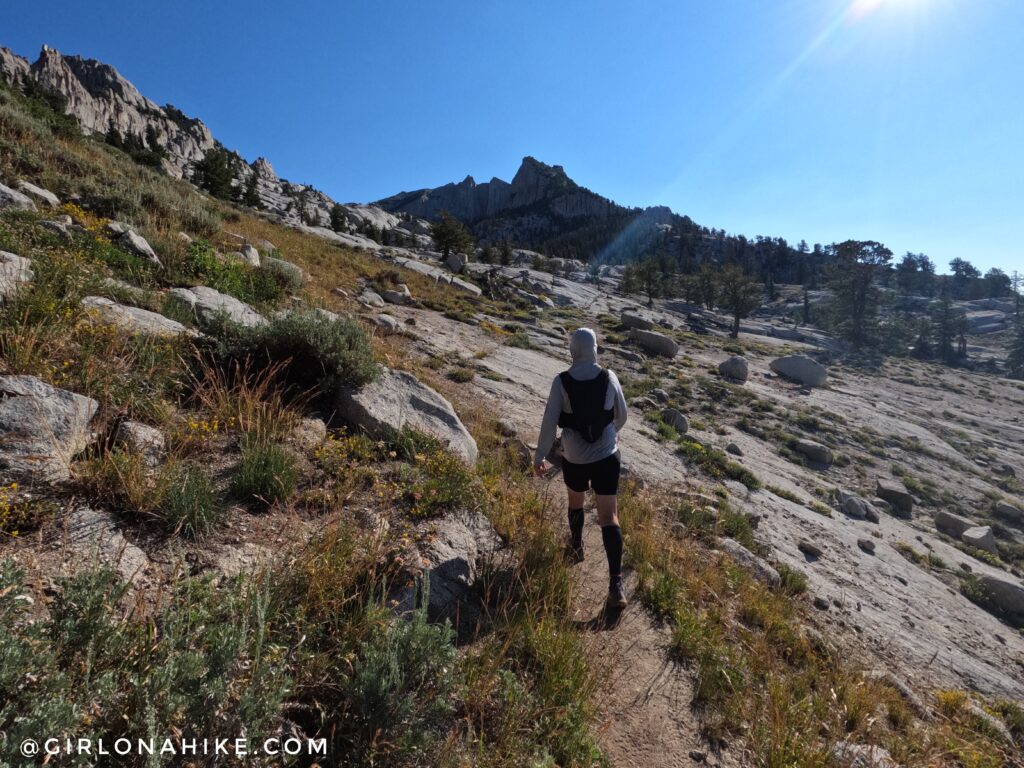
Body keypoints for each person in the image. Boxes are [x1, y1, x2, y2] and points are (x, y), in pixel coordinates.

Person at [534, 327, 629, 608]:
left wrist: (540, 455)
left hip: (574, 456)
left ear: (572, 351)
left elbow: (550, 421)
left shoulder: (561, 381)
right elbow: (621, 416)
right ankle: (616, 583)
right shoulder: (609, 377)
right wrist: (608, 434)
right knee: (609, 516)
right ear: (595, 349)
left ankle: (576, 547)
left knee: (575, 501)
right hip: (607, 456)